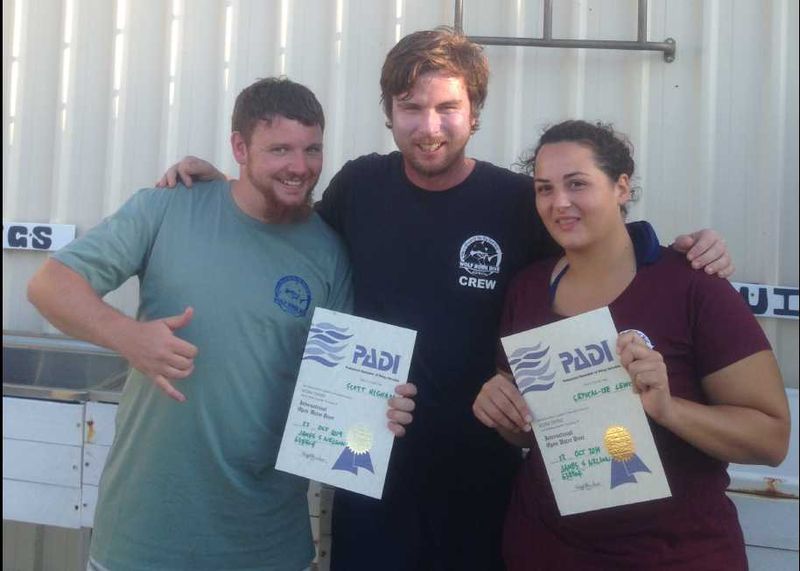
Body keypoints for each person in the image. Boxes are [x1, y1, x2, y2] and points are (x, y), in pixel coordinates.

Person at [156, 29, 734, 571]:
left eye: (447, 108)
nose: (428, 127)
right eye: (410, 107)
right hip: (365, 469)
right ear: (389, 113)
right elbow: (289, 238)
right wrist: (227, 188)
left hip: (485, 478)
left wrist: (681, 250)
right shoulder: (360, 187)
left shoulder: (515, 202)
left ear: (474, 113)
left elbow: (599, 252)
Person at [27, 77, 416, 571]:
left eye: (312, 149)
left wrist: (373, 411)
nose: (300, 166)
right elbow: (49, 285)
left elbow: (339, 396)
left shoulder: (328, 253)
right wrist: (128, 337)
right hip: (143, 539)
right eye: (279, 149)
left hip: (268, 545)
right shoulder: (167, 207)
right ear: (239, 147)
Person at [473, 120, 790, 570]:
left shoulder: (692, 285)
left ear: (621, 187)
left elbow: (771, 439)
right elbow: (528, 429)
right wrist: (501, 410)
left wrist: (668, 409)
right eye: (544, 189)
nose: (559, 202)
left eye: (577, 183)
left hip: (676, 555)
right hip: (544, 549)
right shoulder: (527, 289)